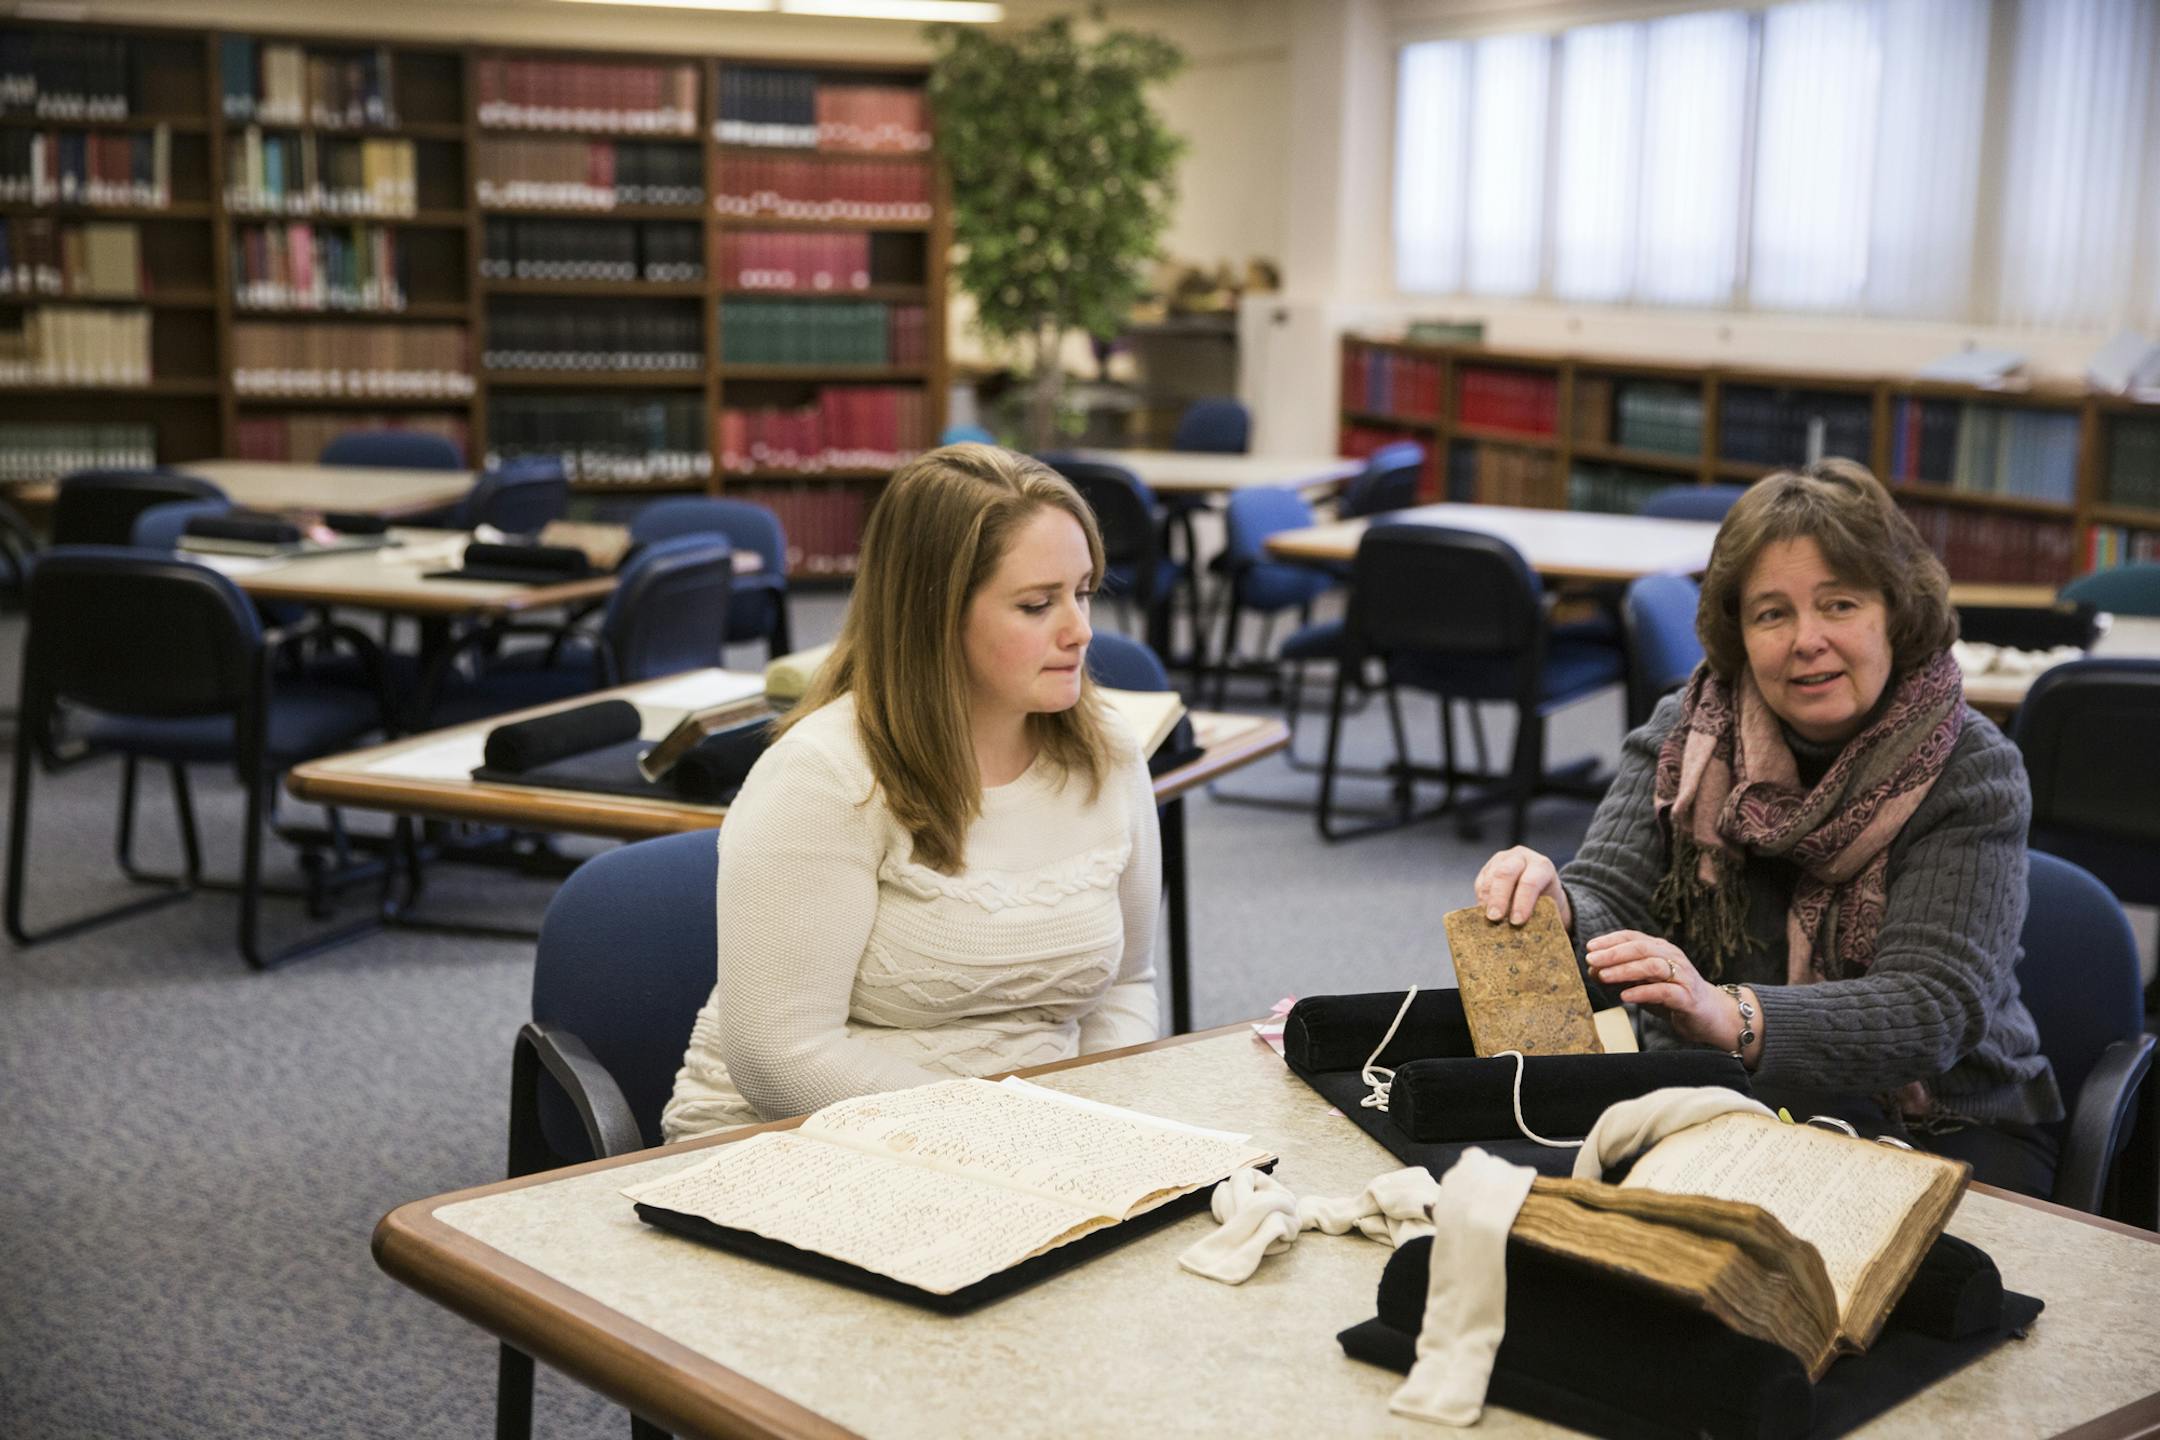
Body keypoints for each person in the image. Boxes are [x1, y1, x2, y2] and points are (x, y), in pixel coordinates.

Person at [1474, 459, 2061, 1195]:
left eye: (1839, 605)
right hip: (1721, 1100)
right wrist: (1559, 908)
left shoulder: (1972, 767)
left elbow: (1933, 1006)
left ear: (1896, 614)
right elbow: (1609, 902)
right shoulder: (1686, 737)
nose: (1805, 639)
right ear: (1740, 634)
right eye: (1772, 613)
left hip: (1945, 1117)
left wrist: (1732, 1014)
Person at [662, 444, 1161, 1139]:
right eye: (1036, 604)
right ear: (935, 615)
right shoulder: (824, 777)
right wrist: (1003, 1133)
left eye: (1083, 591)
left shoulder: (1108, 753)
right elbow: (783, 1060)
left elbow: (1129, 985)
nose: (1080, 630)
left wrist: (1102, 1127)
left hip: (1038, 1137)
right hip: (804, 1136)